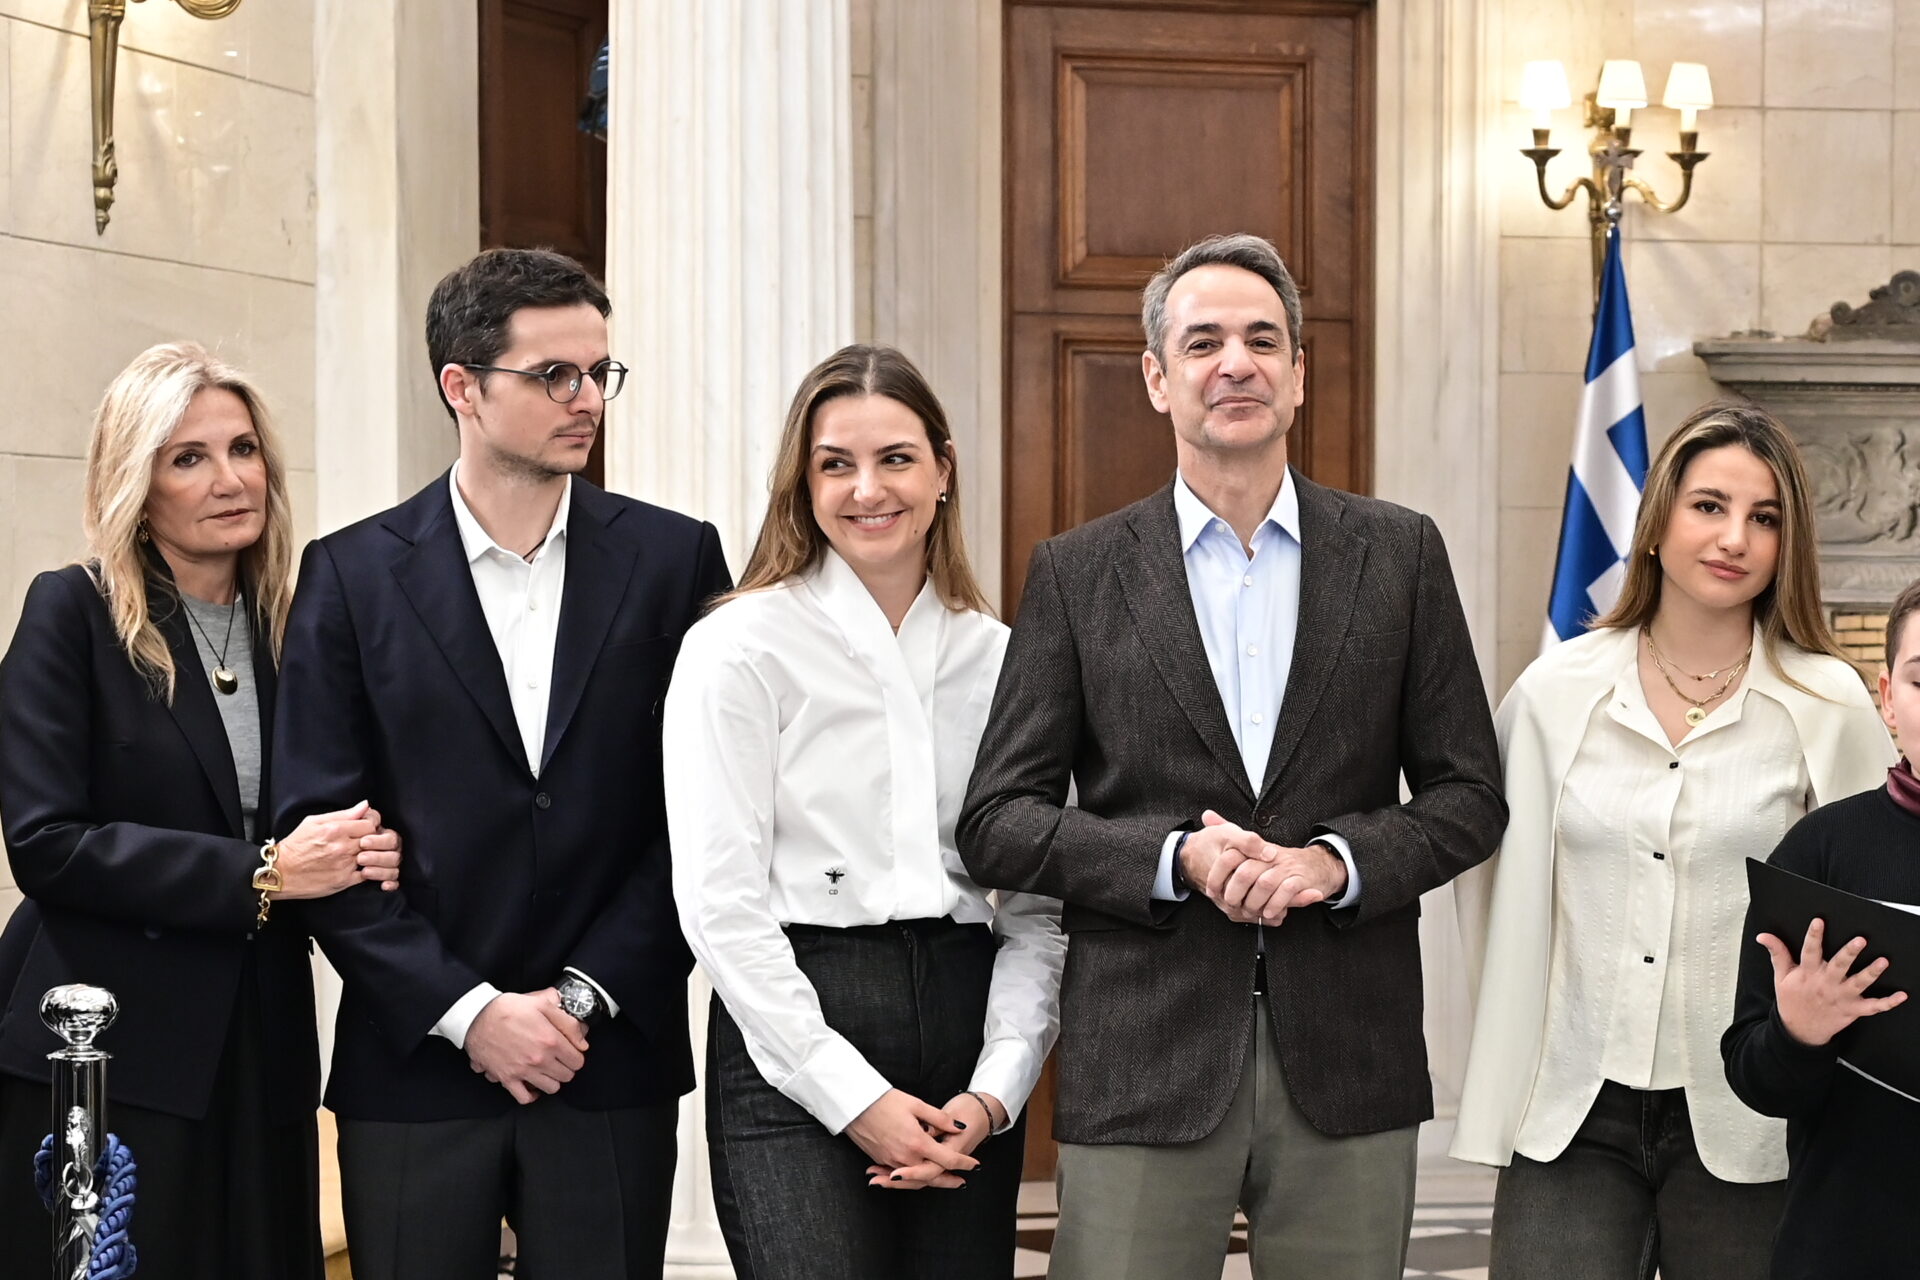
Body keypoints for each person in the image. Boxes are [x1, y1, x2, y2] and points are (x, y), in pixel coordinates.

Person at [957, 232, 1506, 1279]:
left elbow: (1470, 794)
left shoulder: (1400, 554)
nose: (1235, 363)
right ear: (1157, 378)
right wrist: (1177, 859)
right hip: (1144, 1058)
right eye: (1202, 342)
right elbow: (999, 821)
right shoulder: (1077, 573)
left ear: (1298, 373)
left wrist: (1335, 863)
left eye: (1261, 340)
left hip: (1350, 1056)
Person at [270, 248, 731, 1279]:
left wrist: (580, 998)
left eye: (599, 372)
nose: (587, 399)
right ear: (462, 387)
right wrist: (470, 1013)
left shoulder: (677, 560)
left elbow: (709, 819)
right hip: (414, 1064)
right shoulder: (349, 575)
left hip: (607, 1057)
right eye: (554, 374)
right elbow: (318, 834)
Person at [1453, 401, 1896, 1279]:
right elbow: (1492, 892)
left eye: (1764, 518)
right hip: (1570, 1115)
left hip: (1755, 1121)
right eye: (1709, 506)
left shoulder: (1830, 703)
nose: (1734, 537)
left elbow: (1874, 906)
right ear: (1656, 522)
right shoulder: (1551, 694)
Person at [0, 342, 401, 1280]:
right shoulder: (74, 612)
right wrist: (262, 873)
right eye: (189, 458)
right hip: (107, 1042)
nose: (230, 479)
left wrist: (365, 848)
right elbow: (46, 843)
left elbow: (327, 813)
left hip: (263, 1038)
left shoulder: (297, 626)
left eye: (243, 449)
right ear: (136, 486)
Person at [663, 344, 1064, 1280]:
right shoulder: (737, 647)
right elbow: (720, 906)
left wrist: (996, 1089)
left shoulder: (1002, 659)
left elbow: (1041, 907)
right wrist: (853, 1098)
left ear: (943, 470)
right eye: (835, 463)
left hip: (966, 1023)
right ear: (802, 485)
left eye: (896, 458)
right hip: (795, 1019)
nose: (867, 489)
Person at [1722, 579, 1920, 1280]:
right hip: (1848, 1241)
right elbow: (1753, 1075)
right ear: (1889, 698)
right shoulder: (1820, 851)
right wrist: (1798, 1032)